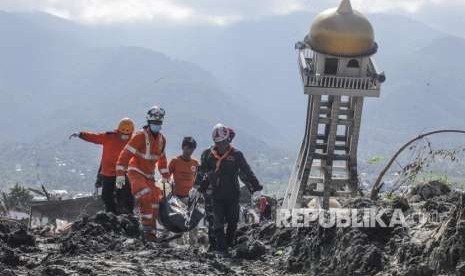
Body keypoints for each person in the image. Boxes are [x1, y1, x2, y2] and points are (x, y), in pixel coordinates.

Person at [193, 123, 263, 254]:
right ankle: (220, 249)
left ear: (228, 139)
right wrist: (199, 189)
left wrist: (256, 188)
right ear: (214, 142)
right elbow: (205, 174)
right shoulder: (209, 155)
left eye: (224, 142)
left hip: (233, 194)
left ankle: (229, 244)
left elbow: (247, 172)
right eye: (218, 143)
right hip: (216, 195)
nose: (221, 145)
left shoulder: (236, 155)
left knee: (232, 221)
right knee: (217, 223)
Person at [115, 106, 170, 242]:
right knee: (145, 195)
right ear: (149, 122)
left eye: (159, 123)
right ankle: (146, 231)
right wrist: (120, 173)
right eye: (154, 123)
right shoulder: (140, 136)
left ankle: (151, 233)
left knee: (156, 199)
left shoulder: (162, 140)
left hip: (149, 176)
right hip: (136, 172)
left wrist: (165, 176)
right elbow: (125, 154)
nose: (156, 125)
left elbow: (162, 160)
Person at [69, 118, 135, 214]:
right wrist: (81, 134)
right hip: (108, 173)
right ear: (118, 131)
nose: (125, 136)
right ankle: (111, 214)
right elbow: (94, 137)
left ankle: (128, 215)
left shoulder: (133, 141)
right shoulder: (109, 137)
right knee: (106, 197)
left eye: (127, 134)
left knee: (126, 196)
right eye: (123, 134)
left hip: (122, 174)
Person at [168, 137, 199, 204]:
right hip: (176, 198)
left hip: (190, 198)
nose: (189, 151)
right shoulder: (175, 161)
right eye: (187, 148)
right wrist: (170, 182)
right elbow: (167, 177)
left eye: (192, 149)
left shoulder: (195, 163)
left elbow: (197, 181)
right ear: (182, 147)